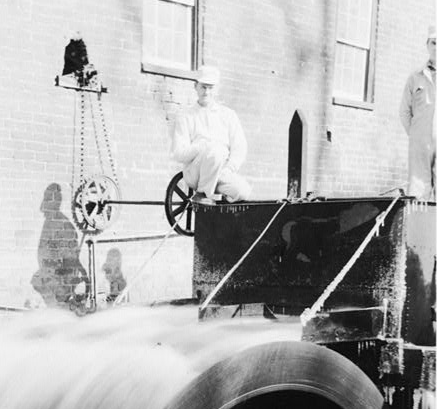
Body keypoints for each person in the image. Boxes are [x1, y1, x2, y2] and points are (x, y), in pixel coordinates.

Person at [171, 65, 251, 205]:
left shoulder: (228, 115)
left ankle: (215, 205)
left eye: (211, 88)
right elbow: (178, 153)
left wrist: (229, 168)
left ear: (217, 89)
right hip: (196, 173)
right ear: (195, 86)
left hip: (221, 172)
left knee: (242, 191)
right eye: (203, 87)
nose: (206, 92)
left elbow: (240, 147)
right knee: (215, 150)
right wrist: (201, 147)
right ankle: (201, 194)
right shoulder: (186, 116)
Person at [399, 25, 436, 201]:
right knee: (419, 194)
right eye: (434, 43)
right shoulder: (415, 77)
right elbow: (404, 111)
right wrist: (415, 135)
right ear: (427, 45)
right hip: (420, 144)